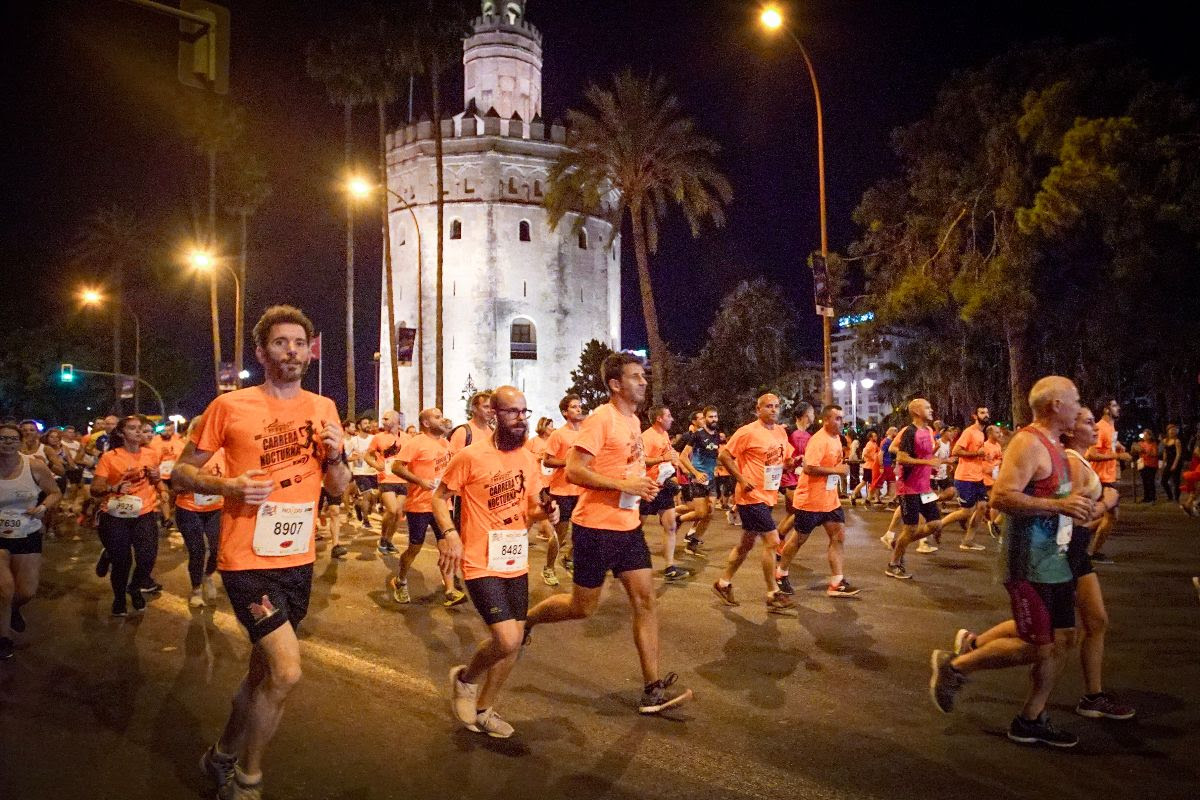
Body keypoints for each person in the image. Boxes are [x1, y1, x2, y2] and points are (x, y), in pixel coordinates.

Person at [173, 305, 349, 800]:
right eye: (280, 343)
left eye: (299, 343)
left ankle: (220, 754)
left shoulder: (324, 408)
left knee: (260, 674)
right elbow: (181, 473)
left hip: (298, 559)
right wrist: (227, 485)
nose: (291, 351)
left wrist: (336, 456)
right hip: (246, 560)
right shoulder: (229, 407)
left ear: (309, 351)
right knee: (287, 670)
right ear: (261, 351)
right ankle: (248, 777)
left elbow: (338, 490)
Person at [930, 376, 1096, 748]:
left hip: (1057, 560)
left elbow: (1061, 498)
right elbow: (1002, 496)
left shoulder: (1057, 445)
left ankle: (1030, 719)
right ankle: (955, 668)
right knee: (1038, 645)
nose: (1080, 407)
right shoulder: (1028, 442)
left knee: (1064, 638)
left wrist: (1083, 507)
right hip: (1029, 564)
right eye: (1075, 400)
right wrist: (1060, 506)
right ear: (1055, 405)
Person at [524, 353, 692, 714]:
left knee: (645, 602)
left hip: (628, 528)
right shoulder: (601, 419)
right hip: (595, 528)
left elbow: (628, 463)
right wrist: (622, 484)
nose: (643, 381)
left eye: (643, 375)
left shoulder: (632, 421)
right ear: (616, 384)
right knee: (581, 607)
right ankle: (529, 620)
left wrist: (652, 475)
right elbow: (573, 471)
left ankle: (652, 688)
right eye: (635, 377)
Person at [952, 406, 1135, 722]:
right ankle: (976, 672)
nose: (1096, 428)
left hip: (1073, 554)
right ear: (1068, 429)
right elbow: (1074, 516)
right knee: (1048, 637)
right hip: (1065, 554)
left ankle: (1085, 696)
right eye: (1088, 422)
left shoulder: (1075, 460)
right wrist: (1107, 500)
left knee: (1092, 623)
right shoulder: (1071, 463)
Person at [440, 386, 557, 738]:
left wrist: (548, 510)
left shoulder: (527, 458)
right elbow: (439, 497)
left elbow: (534, 507)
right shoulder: (470, 456)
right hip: (479, 559)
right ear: (494, 414)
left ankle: (484, 708)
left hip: (515, 559)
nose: (520, 419)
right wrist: (449, 533)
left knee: (514, 642)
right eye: (512, 412)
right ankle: (465, 680)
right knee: (506, 640)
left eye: (525, 412)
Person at [712, 393, 796, 613]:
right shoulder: (747, 432)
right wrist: (741, 478)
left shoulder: (780, 432)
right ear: (758, 409)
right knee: (772, 540)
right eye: (768, 406)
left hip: (768, 495)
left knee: (746, 544)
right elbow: (724, 456)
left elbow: (782, 461)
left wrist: (790, 463)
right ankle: (773, 593)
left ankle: (723, 583)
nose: (774, 410)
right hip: (750, 497)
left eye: (777, 406)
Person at [777, 405, 860, 598]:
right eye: (837, 418)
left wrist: (840, 468)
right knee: (799, 539)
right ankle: (781, 573)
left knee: (838, 536)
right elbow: (809, 468)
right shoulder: (818, 440)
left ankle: (836, 581)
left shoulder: (837, 439)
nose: (841, 421)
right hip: (811, 500)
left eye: (842, 418)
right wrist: (837, 471)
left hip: (830, 500)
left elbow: (834, 464)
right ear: (827, 420)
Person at [0, 420, 62, 660]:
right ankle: (4, 638)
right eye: (2, 438)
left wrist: (43, 508)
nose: (6, 443)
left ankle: (13, 609)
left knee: (25, 592)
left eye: (11, 439)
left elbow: (55, 492)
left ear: (20, 442)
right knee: (4, 589)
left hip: (27, 531)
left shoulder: (34, 466)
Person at [389, 407, 462, 606]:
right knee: (415, 547)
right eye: (437, 417)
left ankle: (450, 590)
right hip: (420, 505)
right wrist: (419, 481)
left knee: (446, 547)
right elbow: (396, 466)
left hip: (442, 504)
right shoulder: (416, 443)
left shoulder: (446, 443)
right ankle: (401, 580)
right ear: (427, 423)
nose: (443, 419)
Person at [91, 415, 162, 616]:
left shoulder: (151, 454)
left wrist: (158, 481)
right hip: (115, 516)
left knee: (147, 559)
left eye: (141, 428)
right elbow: (95, 489)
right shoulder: (110, 457)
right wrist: (113, 487)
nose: (139, 431)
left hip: (144, 512)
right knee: (122, 562)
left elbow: (156, 481)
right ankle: (120, 597)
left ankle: (134, 587)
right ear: (122, 433)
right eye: (133, 428)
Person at [884, 399, 949, 580]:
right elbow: (902, 458)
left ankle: (899, 542)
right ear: (916, 411)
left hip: (925, 487)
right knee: (911, 528)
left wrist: (937, 463)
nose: (932, 409)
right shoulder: (909, 432)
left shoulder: (928, 431)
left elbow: (926, 456)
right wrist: (927, 462)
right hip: (909, 488)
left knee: (936, 523)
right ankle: (893, 564)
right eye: (927, 407)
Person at [174, 416, 225, 608]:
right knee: (197, 551)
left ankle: (208, 576)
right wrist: (195, 482)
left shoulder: (222, 452)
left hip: (215, 508)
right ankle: (196, 590)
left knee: (217, 548)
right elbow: (176, 485)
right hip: (189, 508)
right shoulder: (184, 452)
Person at [640, 406, 688, 582]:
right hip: (649, 487)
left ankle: (670, 566)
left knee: (671, 526)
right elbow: (641, 460)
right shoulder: (647, 436)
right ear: (659, 418)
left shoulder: (664, 435)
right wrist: (663, 459)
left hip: (664, 488)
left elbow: (668, 457)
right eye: (668, 415)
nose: (672, 418)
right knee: (633, 528)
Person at [541, 394, 586, 579]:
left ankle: (569, 558)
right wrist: (567, 462)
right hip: (562, 490)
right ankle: (549, 568)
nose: (579, 409)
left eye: (579, 406)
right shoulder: (558, 434)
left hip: (582, 489)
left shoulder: (585, 432)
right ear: (565, 412)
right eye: (574, 407)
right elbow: (547, 461)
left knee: (585, 531)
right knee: (561, 533)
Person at [1086, 399, 1130, 564]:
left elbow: (1107, 445)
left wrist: (1117, 445)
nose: (1118, 408)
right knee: (1111, 515)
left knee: (1108, 516)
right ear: (1106, 409)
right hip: (1100, 478)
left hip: (1108, 477)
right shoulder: (1100, 427)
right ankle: (1090, 551)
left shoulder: (1110, 427)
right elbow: (1091, 454)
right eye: (1114, 405)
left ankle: (1083, 541)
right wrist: (1117, 456)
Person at [677, 406, 722, 555]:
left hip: (711, 478)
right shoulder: (697, 435)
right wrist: (695, 473)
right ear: (704, 418)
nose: (714, 419)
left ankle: (693, 541)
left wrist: (717, 468)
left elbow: (714, 455)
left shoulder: (716, 436)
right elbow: (683, 456)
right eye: (710, 417)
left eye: (715, 416)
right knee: (701, 513)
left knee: (710, 512)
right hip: (698, 478)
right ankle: (679, 519)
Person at [366, 410, 408, 555]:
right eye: (382, 418)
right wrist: (376, 465)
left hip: (403, 479)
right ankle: (383, 537)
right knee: (392, 509)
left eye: (386, 418)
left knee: (398, 514)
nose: (383, 420)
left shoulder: (407, 438)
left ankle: (389, 540)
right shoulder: (378, 437)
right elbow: (367, 456)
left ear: (396, 420)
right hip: (386, 478)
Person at [346, 415, 378, 531]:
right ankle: (366, 521)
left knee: (374, 496)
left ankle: (358, 505)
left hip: (373, 471)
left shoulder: (374, 438)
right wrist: (355, 458)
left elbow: (379, 453)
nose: (368, 425)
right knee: (367, 494)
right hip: (359, 472)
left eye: (368, 423)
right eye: (365, 423)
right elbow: (346, 457)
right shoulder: (353, 441)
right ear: (359, 426)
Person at [1160, 423, 1183, 503]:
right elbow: (1165, 452)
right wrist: (1163, 463)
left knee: (1176, 481)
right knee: (1163, 481)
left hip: (1176, 462)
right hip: (1169, 462)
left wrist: (1174, 464)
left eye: (1174, 430)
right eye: (1170, 430)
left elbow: (1178, 454)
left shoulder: (1177, 441)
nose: (1172, 431)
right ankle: (1170, 496)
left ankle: (1176, 498)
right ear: (1168, 431)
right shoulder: (1165, 441)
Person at [1136, 429, 1159, 503]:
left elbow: (1155, 454)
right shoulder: (1140, 443)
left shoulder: (1153, 444)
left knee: (1150, 481)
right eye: (1144, 435)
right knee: (1145, 481)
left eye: (1146, 435)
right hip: (1143, 464)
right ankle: (1146, 497)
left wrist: (1146, 452)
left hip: (1151, 465)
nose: (1145, 437)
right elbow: (1136, 452)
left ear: (1150, 436)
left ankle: (1152, 497)